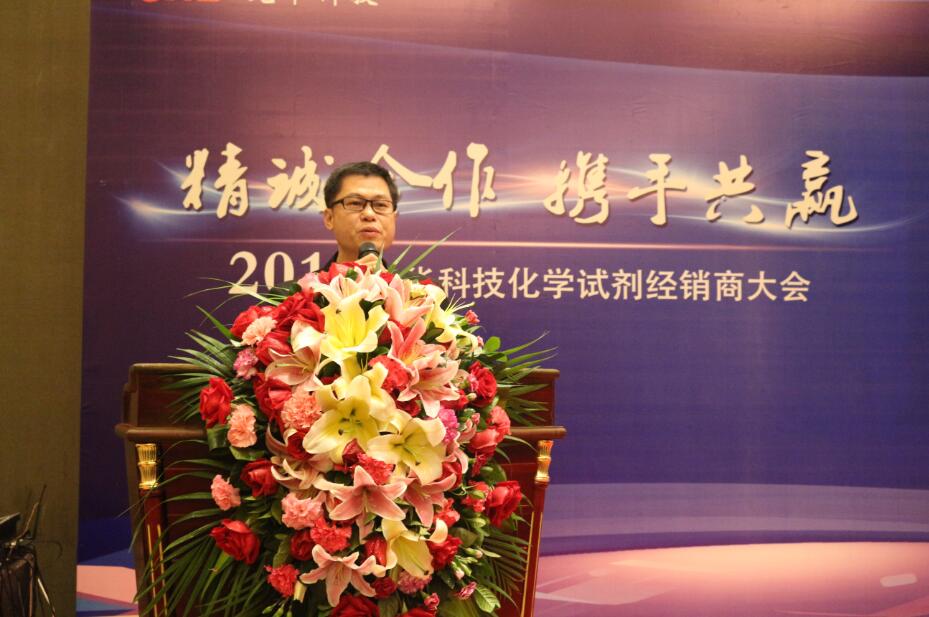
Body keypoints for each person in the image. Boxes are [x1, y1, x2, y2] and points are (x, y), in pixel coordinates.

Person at [320, 161, 399, 270]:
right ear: (329, 218)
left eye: (381, 204)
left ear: (394, 219)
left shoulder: (413, 282)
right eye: (355, 203)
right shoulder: (308, 282)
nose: (369, 214)